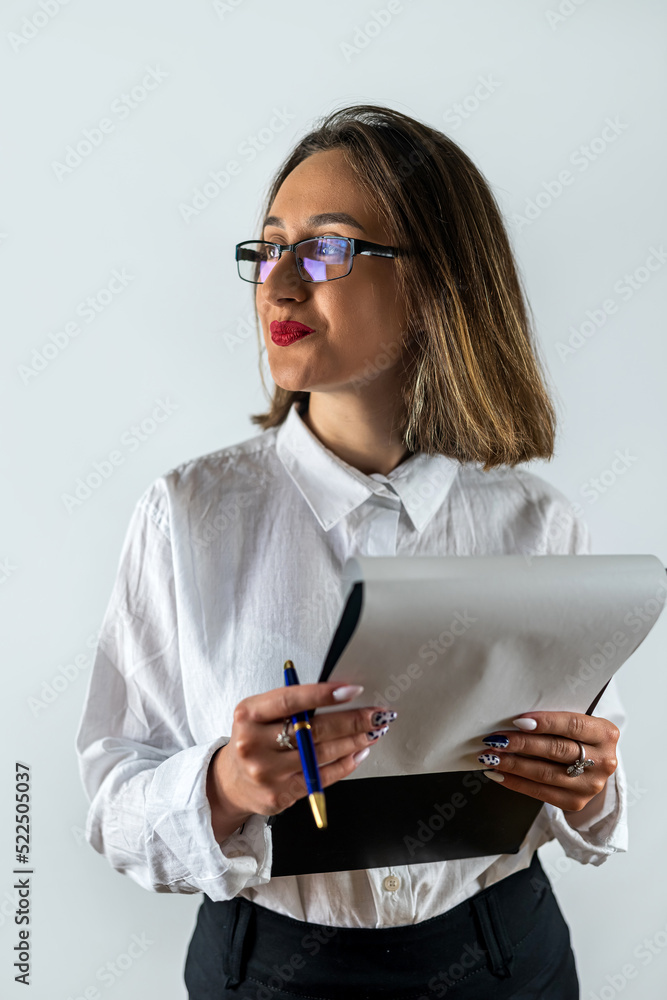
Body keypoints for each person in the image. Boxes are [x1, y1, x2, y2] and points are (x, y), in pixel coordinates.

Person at [75, 104, 627, 999]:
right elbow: (111, 805)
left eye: (327, 249)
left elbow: (579, 795)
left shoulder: (539, 523)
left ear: (435, 284)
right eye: (268, 249)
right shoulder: (186, 516)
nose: (280, 285)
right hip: (269, 969)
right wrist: (220, 785)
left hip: (502, 956)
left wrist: (588, 778)